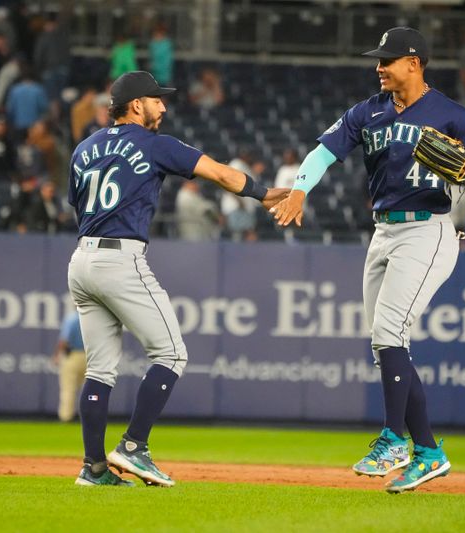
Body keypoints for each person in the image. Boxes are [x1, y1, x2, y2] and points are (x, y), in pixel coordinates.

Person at [270, 27, 465, 493]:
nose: (379, 67)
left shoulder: (450, 114)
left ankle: (395, 439)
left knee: (390, 333)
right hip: (384, 230)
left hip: (428, 229)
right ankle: (430, 452)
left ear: (414, 63)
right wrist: (299, 189)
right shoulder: (367, 112)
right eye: (378, 59)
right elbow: (323, 151)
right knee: (384, 343)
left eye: (388, 60)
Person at [67, 71, 287, 487]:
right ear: (136, 105)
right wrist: (262, 192)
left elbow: (76, 205)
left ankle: (93, 469)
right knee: (171, 354)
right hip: (121, 257)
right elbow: (220, 174)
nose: (163, 107)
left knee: (99, 371)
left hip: (82, 258)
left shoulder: (84, 148)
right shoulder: (155, 144)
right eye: (156, 99)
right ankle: (133, 447)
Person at [53, 310, 87, 422]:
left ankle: (66, 417)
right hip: (90, 356)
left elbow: (64, 340)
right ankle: (88, 417)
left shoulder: (72, 318)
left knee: (68, 388)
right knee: (88, 390)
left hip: (73, 356)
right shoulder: (91, 318)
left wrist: (57, 355)